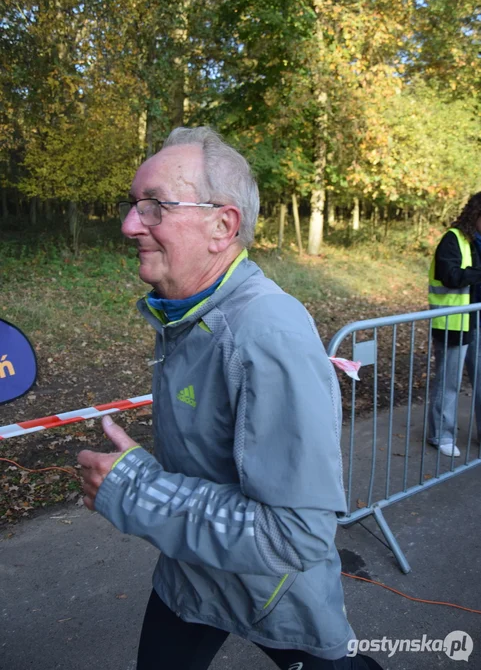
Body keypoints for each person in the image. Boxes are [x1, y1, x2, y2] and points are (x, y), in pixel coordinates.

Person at [78, 127, 383, 670]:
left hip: (272, 590)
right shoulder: (185, 312)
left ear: (223, 225)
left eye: (154, 208)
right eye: (132, 206)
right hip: (193, 575)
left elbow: (294, 536)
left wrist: (134, 490)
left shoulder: (267, 332)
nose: (129, 226)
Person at [428, 192, 481, 457]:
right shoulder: (453, 239)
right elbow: (450, 275)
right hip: (453, 320)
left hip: (476, 319)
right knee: (449, 381)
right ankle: (441, 434)